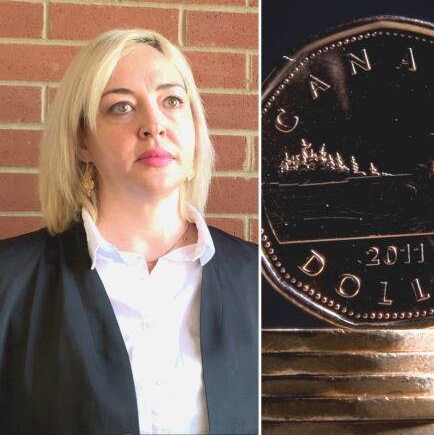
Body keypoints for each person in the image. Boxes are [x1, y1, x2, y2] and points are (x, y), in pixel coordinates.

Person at [0, 30, 258, 433]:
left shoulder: (257, 279)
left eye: (172, 101)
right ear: (82, 140)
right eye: (121, 107)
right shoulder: (9, 280)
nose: (154, 124)